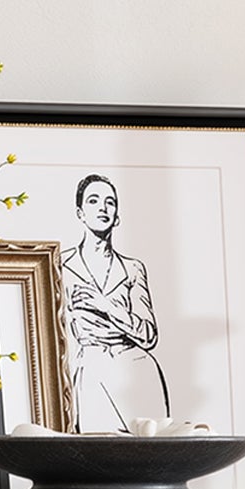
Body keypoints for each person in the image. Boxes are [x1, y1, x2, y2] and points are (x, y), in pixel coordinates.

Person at [63, 175, 170, 434]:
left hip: (137, 370)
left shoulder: (133, 268)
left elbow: (149, 334)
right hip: (91, 372)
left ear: (117, 215)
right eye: (94, 200)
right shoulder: (61, 265)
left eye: (110, 202)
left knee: (152, 457)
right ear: (80, 212)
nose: (103, 207)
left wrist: (107, 306)